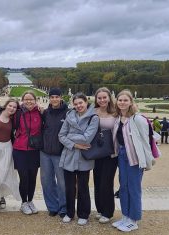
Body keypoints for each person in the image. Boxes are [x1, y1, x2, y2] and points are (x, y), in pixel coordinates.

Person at [111, 90, 155, 232]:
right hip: (122, 155)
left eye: (125, 100)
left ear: (131, 102)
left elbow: (146, 141)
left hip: (135, 157)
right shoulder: (118, 117)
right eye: (120, 100)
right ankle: (125, 216)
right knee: (123, 186)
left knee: (134, 188)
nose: (122, 102)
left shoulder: (138, 119)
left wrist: (146, 161)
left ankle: (134, 219)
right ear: (116, 102)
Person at [58, 92, 99, 226]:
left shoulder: (93, 117)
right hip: (69, 155)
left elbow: (87, 138)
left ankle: (83, 214)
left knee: (83, 187)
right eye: (75, 104)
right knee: (69, 187)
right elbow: (61, 135)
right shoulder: (70, 115)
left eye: (80, 103)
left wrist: (70, 136)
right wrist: (74, 144)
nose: (78, 106)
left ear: (86, 102)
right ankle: (70, 213)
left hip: (83, 157)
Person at [13, 91, 42, 215]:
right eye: (26, 99)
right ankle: (24, 202)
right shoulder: (18, 113)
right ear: (22, 101)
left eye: (31, 99)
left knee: (33, 177)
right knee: (24, 177)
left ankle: (30, 201)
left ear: (35, 100)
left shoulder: (40, 113)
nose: (29, 101)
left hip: (34, 150)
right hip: (20, 149)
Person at [40, 88, 68, 218]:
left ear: (61, 98)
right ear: (49, 98)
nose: (54, 99)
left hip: (60, 152)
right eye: (52, 97)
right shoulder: (45, 112)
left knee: (62, 182)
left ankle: (63, 207)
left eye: (57, 96)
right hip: (45, 152)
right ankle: (52, 206)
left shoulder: (68, 113)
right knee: (47, 181)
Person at [92, 87, 118, 224]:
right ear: (96, 99)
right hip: (96, 152)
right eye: (99, 98)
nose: (102, 100)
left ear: (109, 98)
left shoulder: (116, 112)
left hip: (111, 153)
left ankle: (108, 211)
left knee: (106, 183)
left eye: (104, 97)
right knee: (97, 181)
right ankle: (100, 209)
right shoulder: (92, 112)